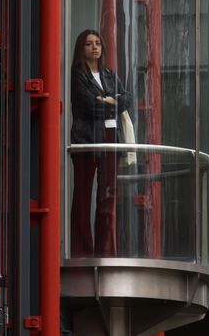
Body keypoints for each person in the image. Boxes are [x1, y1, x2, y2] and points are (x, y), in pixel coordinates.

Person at [70, 29, 129, 258]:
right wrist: (113, 101)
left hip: (110, 138)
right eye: (88, 44)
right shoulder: (78, 75)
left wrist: (107, 101)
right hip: (87, 140)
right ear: (81, 48)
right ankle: (82, 251)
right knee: (83, 197)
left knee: (107, 198)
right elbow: (89, 106)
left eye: (97, 43)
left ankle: (105, 252)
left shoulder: (109, 74)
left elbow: (128, 100)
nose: (94, 47)